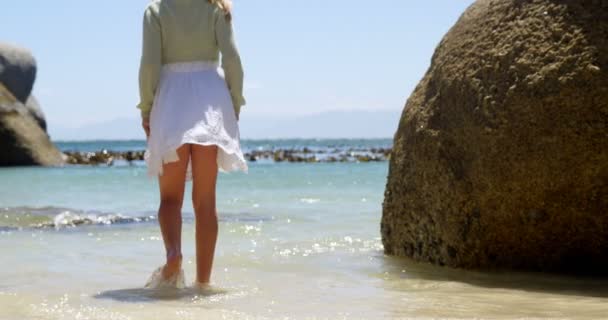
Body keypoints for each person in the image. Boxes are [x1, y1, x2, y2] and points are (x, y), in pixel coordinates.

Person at [136, 0, 247, 288]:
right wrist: (235, 102)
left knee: (170, 200)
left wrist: (146, 108)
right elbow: (233, 60)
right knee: (206, 202)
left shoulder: (156, 11)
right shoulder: (217, 8)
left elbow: (149, 65)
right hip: (211, 102)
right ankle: (203, 283)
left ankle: (173, 254)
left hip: (171, 100)